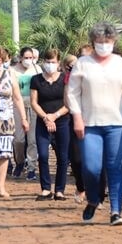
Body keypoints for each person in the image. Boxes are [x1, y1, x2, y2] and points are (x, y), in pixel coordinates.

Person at [67, 22, 122, 226]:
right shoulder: (83, 63)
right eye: (99, 42)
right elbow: (73, 93)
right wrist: (77, 117)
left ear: (114, 41)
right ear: (93, 42)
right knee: (91, 167)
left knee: (116, 167)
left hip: (118, 123)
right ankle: (93, 198)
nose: (103, 45)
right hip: (90, 123)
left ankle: (116, 211)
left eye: (107, 41)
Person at [0, 46, 26, 199]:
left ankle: (1, 186)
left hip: (6, 118)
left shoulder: (10, 74)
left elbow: (17, 97)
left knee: (5, 152)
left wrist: (23, 118)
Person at [30, 49, 70, 201]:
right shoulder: (36, 80)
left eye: (53, 62)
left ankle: (60, 190)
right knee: (43, 155)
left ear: (59, 63)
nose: (50, 65)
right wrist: (46, 118)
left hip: (62, 121)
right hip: (43, 122)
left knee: (63, 157)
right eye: (47, 61)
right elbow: (34, 102)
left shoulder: (65, 79)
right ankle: (46, 189)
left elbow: (68, 103)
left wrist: (55, 116)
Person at [12, 47, 43, 180]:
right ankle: (20, 162)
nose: (29, 60)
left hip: (34, 105)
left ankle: (31, 167)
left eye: (31, 58)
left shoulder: (37, 69)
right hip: (17, 106)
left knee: (32, 139)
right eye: (26, 57)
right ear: (20, 58)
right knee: (19, 139)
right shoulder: (12, 70)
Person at [62, 54, 86, 203]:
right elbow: (67, 101)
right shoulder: (68, 79)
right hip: (74, 119)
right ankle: (81, 186)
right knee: (76, 159)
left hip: (95, 120)